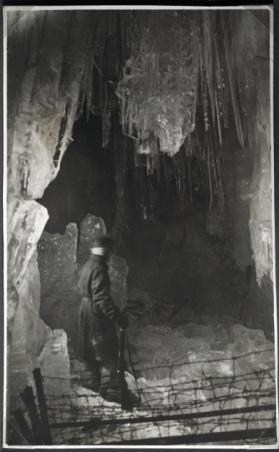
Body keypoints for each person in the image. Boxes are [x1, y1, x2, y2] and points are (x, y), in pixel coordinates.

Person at [77, 234, 129, 403]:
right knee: (107, 352)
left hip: (85, 312)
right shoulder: (99, 268)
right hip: (96, 316)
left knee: (91, 353)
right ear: (105, 250)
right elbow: (101, 298)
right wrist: (117, 315)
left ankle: (94, 389)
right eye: (110, 251)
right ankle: (109, 392)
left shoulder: (87, 265)